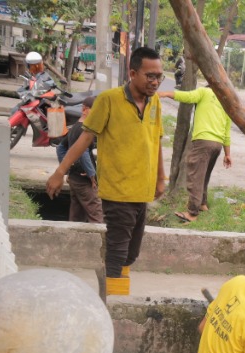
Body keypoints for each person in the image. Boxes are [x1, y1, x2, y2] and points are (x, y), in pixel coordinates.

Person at [47, 46, 166, 297]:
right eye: (150, 76)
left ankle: (110, 293)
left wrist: (160, 178)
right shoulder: (109, 100)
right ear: (133, 73)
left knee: (131, 253)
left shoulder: (154, 103)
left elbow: (157, 142)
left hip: (141, 191)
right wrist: (60, 172)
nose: (155, 82)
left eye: (159, 76)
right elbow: (84, 138)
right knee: (118, 251)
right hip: (118, 189)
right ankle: (114, 304)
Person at [156, 84, 234, 223]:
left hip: (203, 141)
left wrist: (166, 93)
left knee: (195, 177)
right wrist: (227, 154)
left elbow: (187, 96)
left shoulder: (204, 92)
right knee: (204, 175)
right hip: (217, 145)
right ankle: (203, 204)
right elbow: (227, 132)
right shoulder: (225, 102)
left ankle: (192, 213)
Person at [54, 95, 103, 224]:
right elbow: (83, 152)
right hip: (85, 180)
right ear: (84, 110)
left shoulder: (75, 127)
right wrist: (92, 175)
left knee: (77, 216)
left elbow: (60, 148)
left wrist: (68, 170)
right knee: (97, 215)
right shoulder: (84, 130)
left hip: (75, 178)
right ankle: (102, 243)